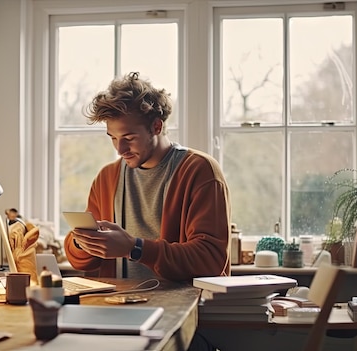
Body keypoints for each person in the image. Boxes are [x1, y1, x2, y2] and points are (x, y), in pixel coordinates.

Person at [63, 72, 231, 282]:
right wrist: (83, 242)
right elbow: (82, 262)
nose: (120, 149)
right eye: (113, 138)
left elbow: (210, 260)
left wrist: (135, 248)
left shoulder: (199, 170)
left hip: (182, 308)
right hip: (119, 307)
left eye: (129, 137)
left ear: (157, 127)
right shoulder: (107, 177)